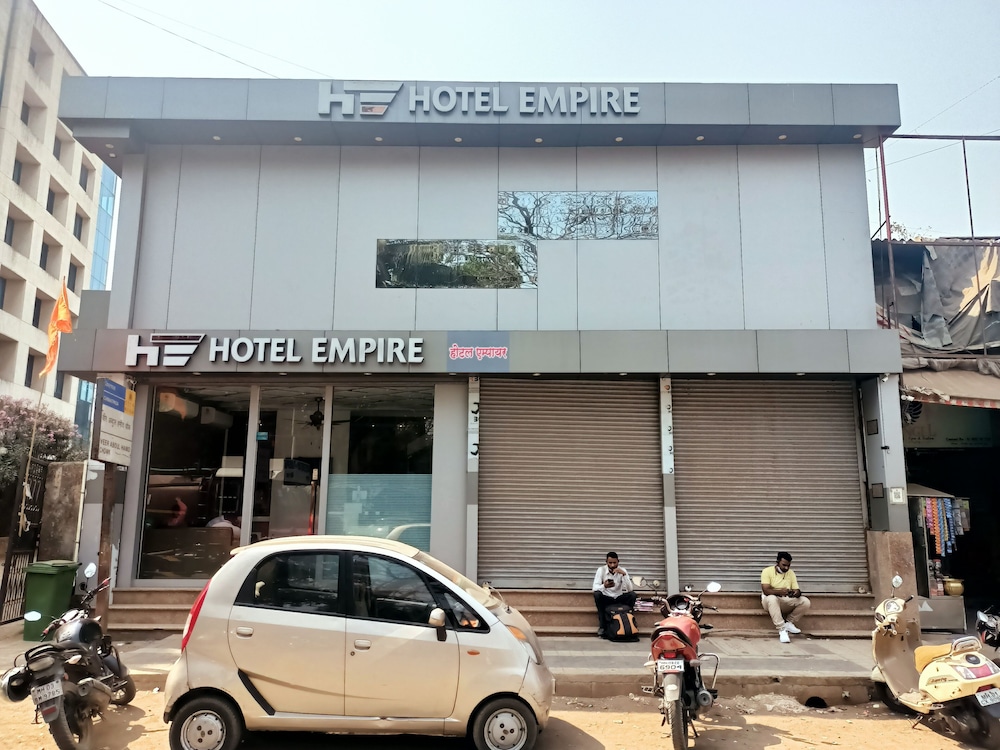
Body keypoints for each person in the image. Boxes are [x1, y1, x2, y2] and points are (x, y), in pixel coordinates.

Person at [761, 551, 811, 643]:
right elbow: (766, 591)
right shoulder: (767, 571)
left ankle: (788, 623)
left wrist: (796, 593)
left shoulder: (791, 573)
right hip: (769, 602)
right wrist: (779, 592)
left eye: (788, 565)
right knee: (772, 598)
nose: (786, 568)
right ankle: (782, 629)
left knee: (805, 601)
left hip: (785, 600)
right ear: (777, 562)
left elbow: (797, 590)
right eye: (784, 565)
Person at [592, 551, 636, 639]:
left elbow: (630, 589)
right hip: (606, 598)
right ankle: (602, 627)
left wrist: (624, 575)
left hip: (618, 597)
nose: (612, 565)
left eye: (614, 563)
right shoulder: (601, 570)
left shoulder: (623, 571)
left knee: (632, 595)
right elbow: (595, 588)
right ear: (606, 562)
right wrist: (604, 586)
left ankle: (629, 621)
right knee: (597, 595)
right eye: (610, 563)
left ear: (618, 562)